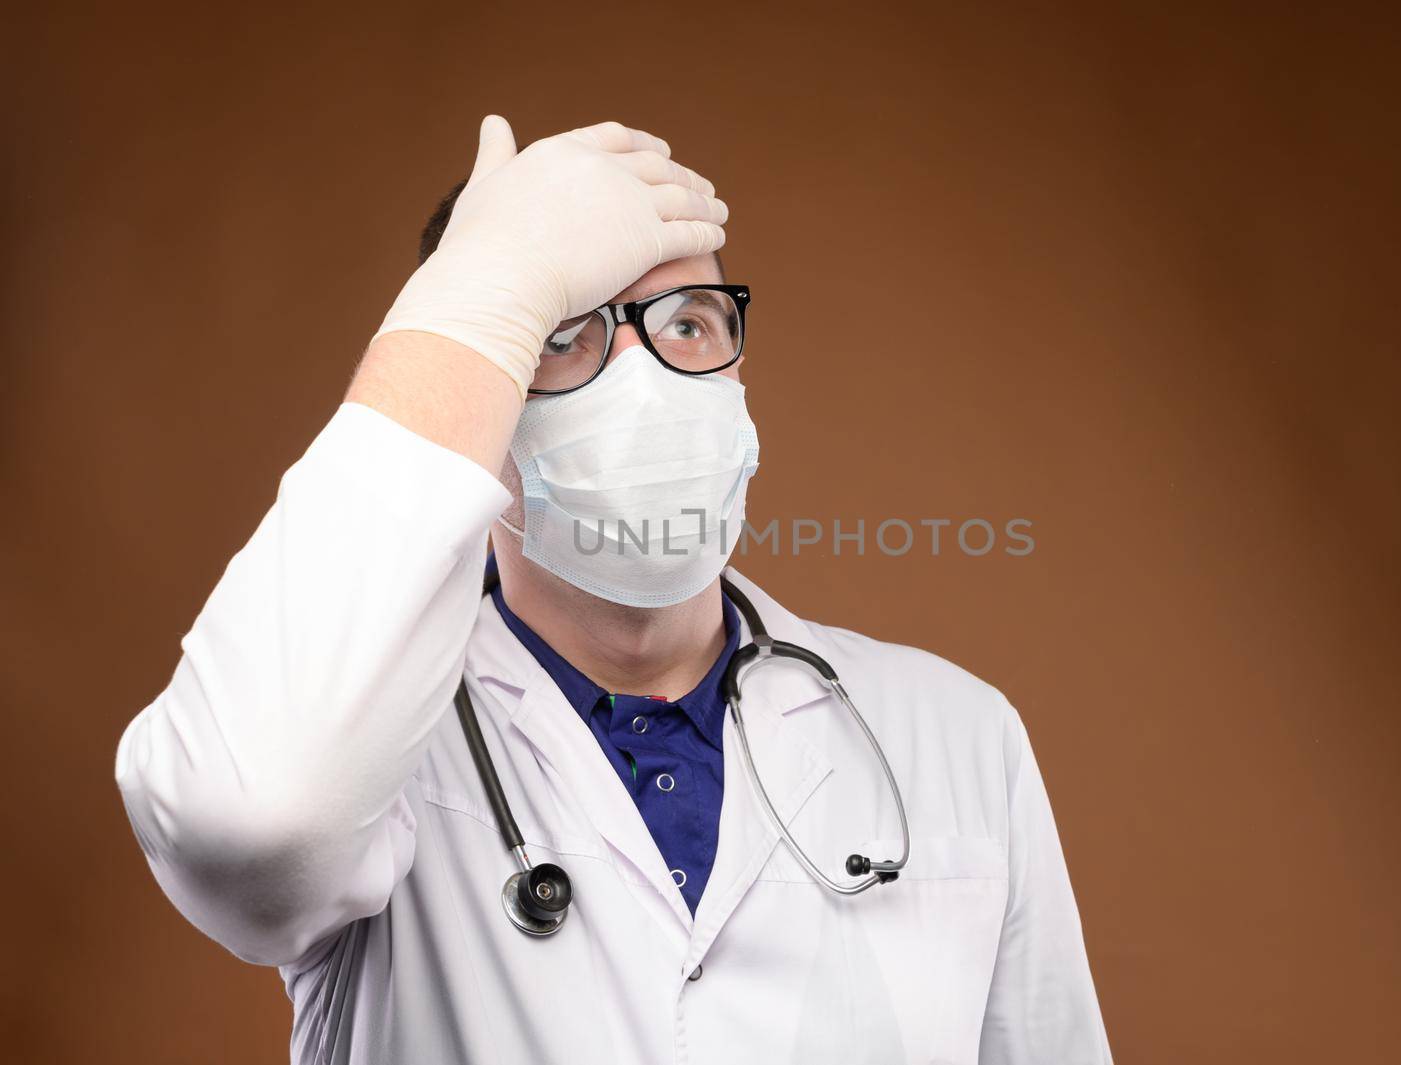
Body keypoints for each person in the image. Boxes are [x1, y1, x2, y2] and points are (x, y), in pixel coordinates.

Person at [113, 115, 1113, 1064]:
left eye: (686, 323)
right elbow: (245, 817)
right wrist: (484, 280)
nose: (647, 384)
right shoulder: (368, 751)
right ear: (485, 395)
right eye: (561, 333)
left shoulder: (954, 736)